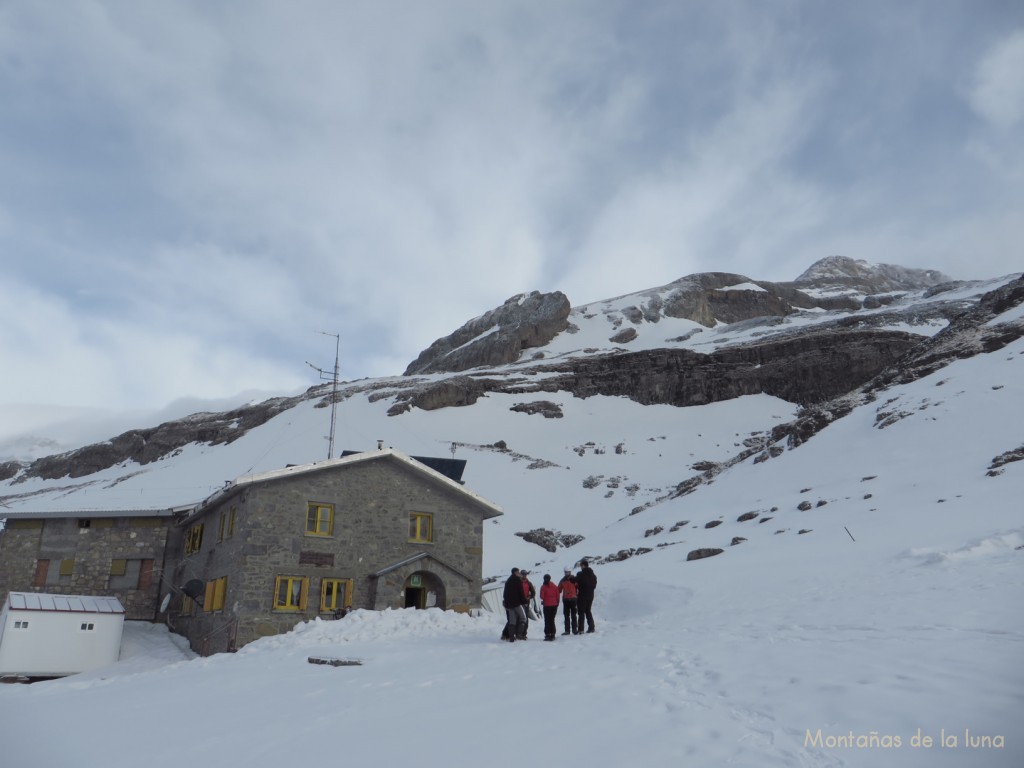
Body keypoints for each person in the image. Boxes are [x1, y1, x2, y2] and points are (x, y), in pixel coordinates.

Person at [502, 567, 528, 642]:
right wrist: (524, 602)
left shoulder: (508, 581)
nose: (519, 573)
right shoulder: (518, 580)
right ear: (515, 572)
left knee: (512, 621)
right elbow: (521, 593)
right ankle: (519, 634)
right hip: (516, 603)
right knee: (523, 618)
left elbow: (505, 594)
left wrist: (506, 604)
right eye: (518, 572)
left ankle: (511, 638)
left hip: (509, 605)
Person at [575, 560, 597, 633]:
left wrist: (571, 578)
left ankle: (581, 629)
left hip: (582, 595)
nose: (580, 567)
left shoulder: (581, 574)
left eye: (581, 565)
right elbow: (594, 586)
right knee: (588, 611)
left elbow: (575, 581)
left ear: (584, 566)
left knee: (581, 612)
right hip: (590, 595)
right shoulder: (593, 575)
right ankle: (591, 627)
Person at [558, 566, 579, 635]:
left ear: (570, 572)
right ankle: (567, 630)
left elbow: (579, 587)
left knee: (573, 615)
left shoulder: (574, 579)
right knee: (566, 615)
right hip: (566, 599)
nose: (567, 573)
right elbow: (559, 590)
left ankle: (574, 629)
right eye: (565, 572)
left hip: (573, 599)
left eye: (568, 572)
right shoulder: (562, 580)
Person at [539, 574, 560, 641]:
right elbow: (558, 596)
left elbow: (542, 597)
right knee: (552, 619)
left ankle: (548, 634)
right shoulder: (555, 586)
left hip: (547, 605)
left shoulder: (543, 587)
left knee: (547, 620)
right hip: (554, 605)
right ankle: (553, 634)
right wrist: (557, 603)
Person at [520, 570, 537, 639]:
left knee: (525, 619)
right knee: (519, 618)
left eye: (525, 574)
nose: (524, 575)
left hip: (526, 603)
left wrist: (529, 597)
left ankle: (524, 634)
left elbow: (533, 592)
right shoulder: (518, 582)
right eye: (523, 574)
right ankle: (519, 633)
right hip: (519, 603)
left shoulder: (529, 583)